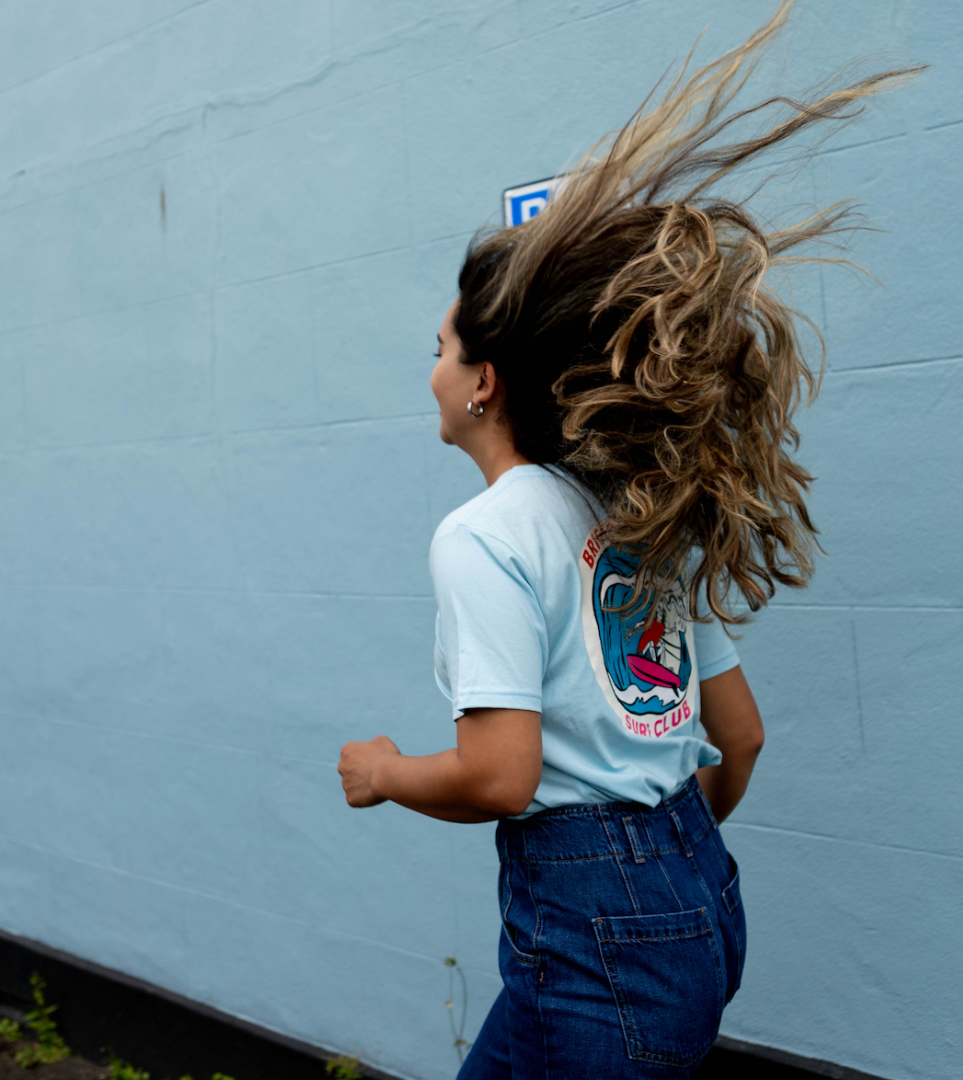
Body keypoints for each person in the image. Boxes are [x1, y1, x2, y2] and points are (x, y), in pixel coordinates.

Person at [336, 5, 920, 1077]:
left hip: (595, 934)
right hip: (694, 890)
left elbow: (502, 777)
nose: (427, 370)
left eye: (438, 349)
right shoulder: (631, 512)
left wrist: (385, 772)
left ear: (483, 384)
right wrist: (660, 857)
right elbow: (737, 737)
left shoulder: (484, 535)